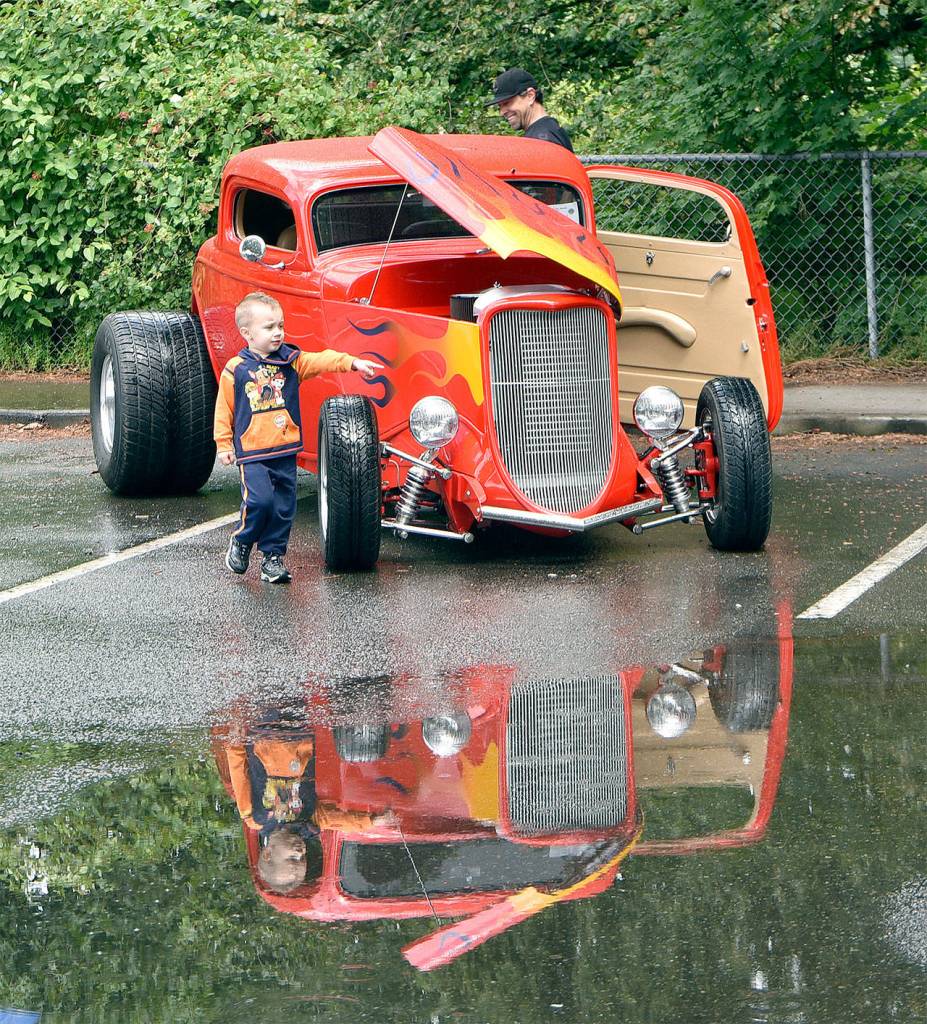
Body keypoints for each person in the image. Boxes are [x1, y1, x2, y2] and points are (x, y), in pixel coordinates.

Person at [214, 291, 382, 582]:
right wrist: (223, 443)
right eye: (269, 327)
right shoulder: (236, 369)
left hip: (285, 450)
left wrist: (352, 363)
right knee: (259, 502)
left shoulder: (291, 362)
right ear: (247, 333)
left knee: (283, 508)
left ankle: (273, 558)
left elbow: (321, 360)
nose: (277, 332)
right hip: (253, 453)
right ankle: (242, 540)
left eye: (280, 325)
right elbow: (223, 408)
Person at [219, 711, 394, 893]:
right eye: (302, 858)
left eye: (292, 858)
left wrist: (234, 745)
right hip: (300, 736)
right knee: (294, 701)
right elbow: (337, 821)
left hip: (265, 735)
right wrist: (371, 821)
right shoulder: (308, 822)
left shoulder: (255, 817)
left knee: (268, 701)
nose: (300, 852)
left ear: (268, 853)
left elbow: (240, 776)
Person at [485, 68, 573, 152]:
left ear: (530, 95)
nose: (502, 112)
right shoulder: (548, 130)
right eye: (500, 106)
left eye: (506, 103)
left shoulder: (541, 141)